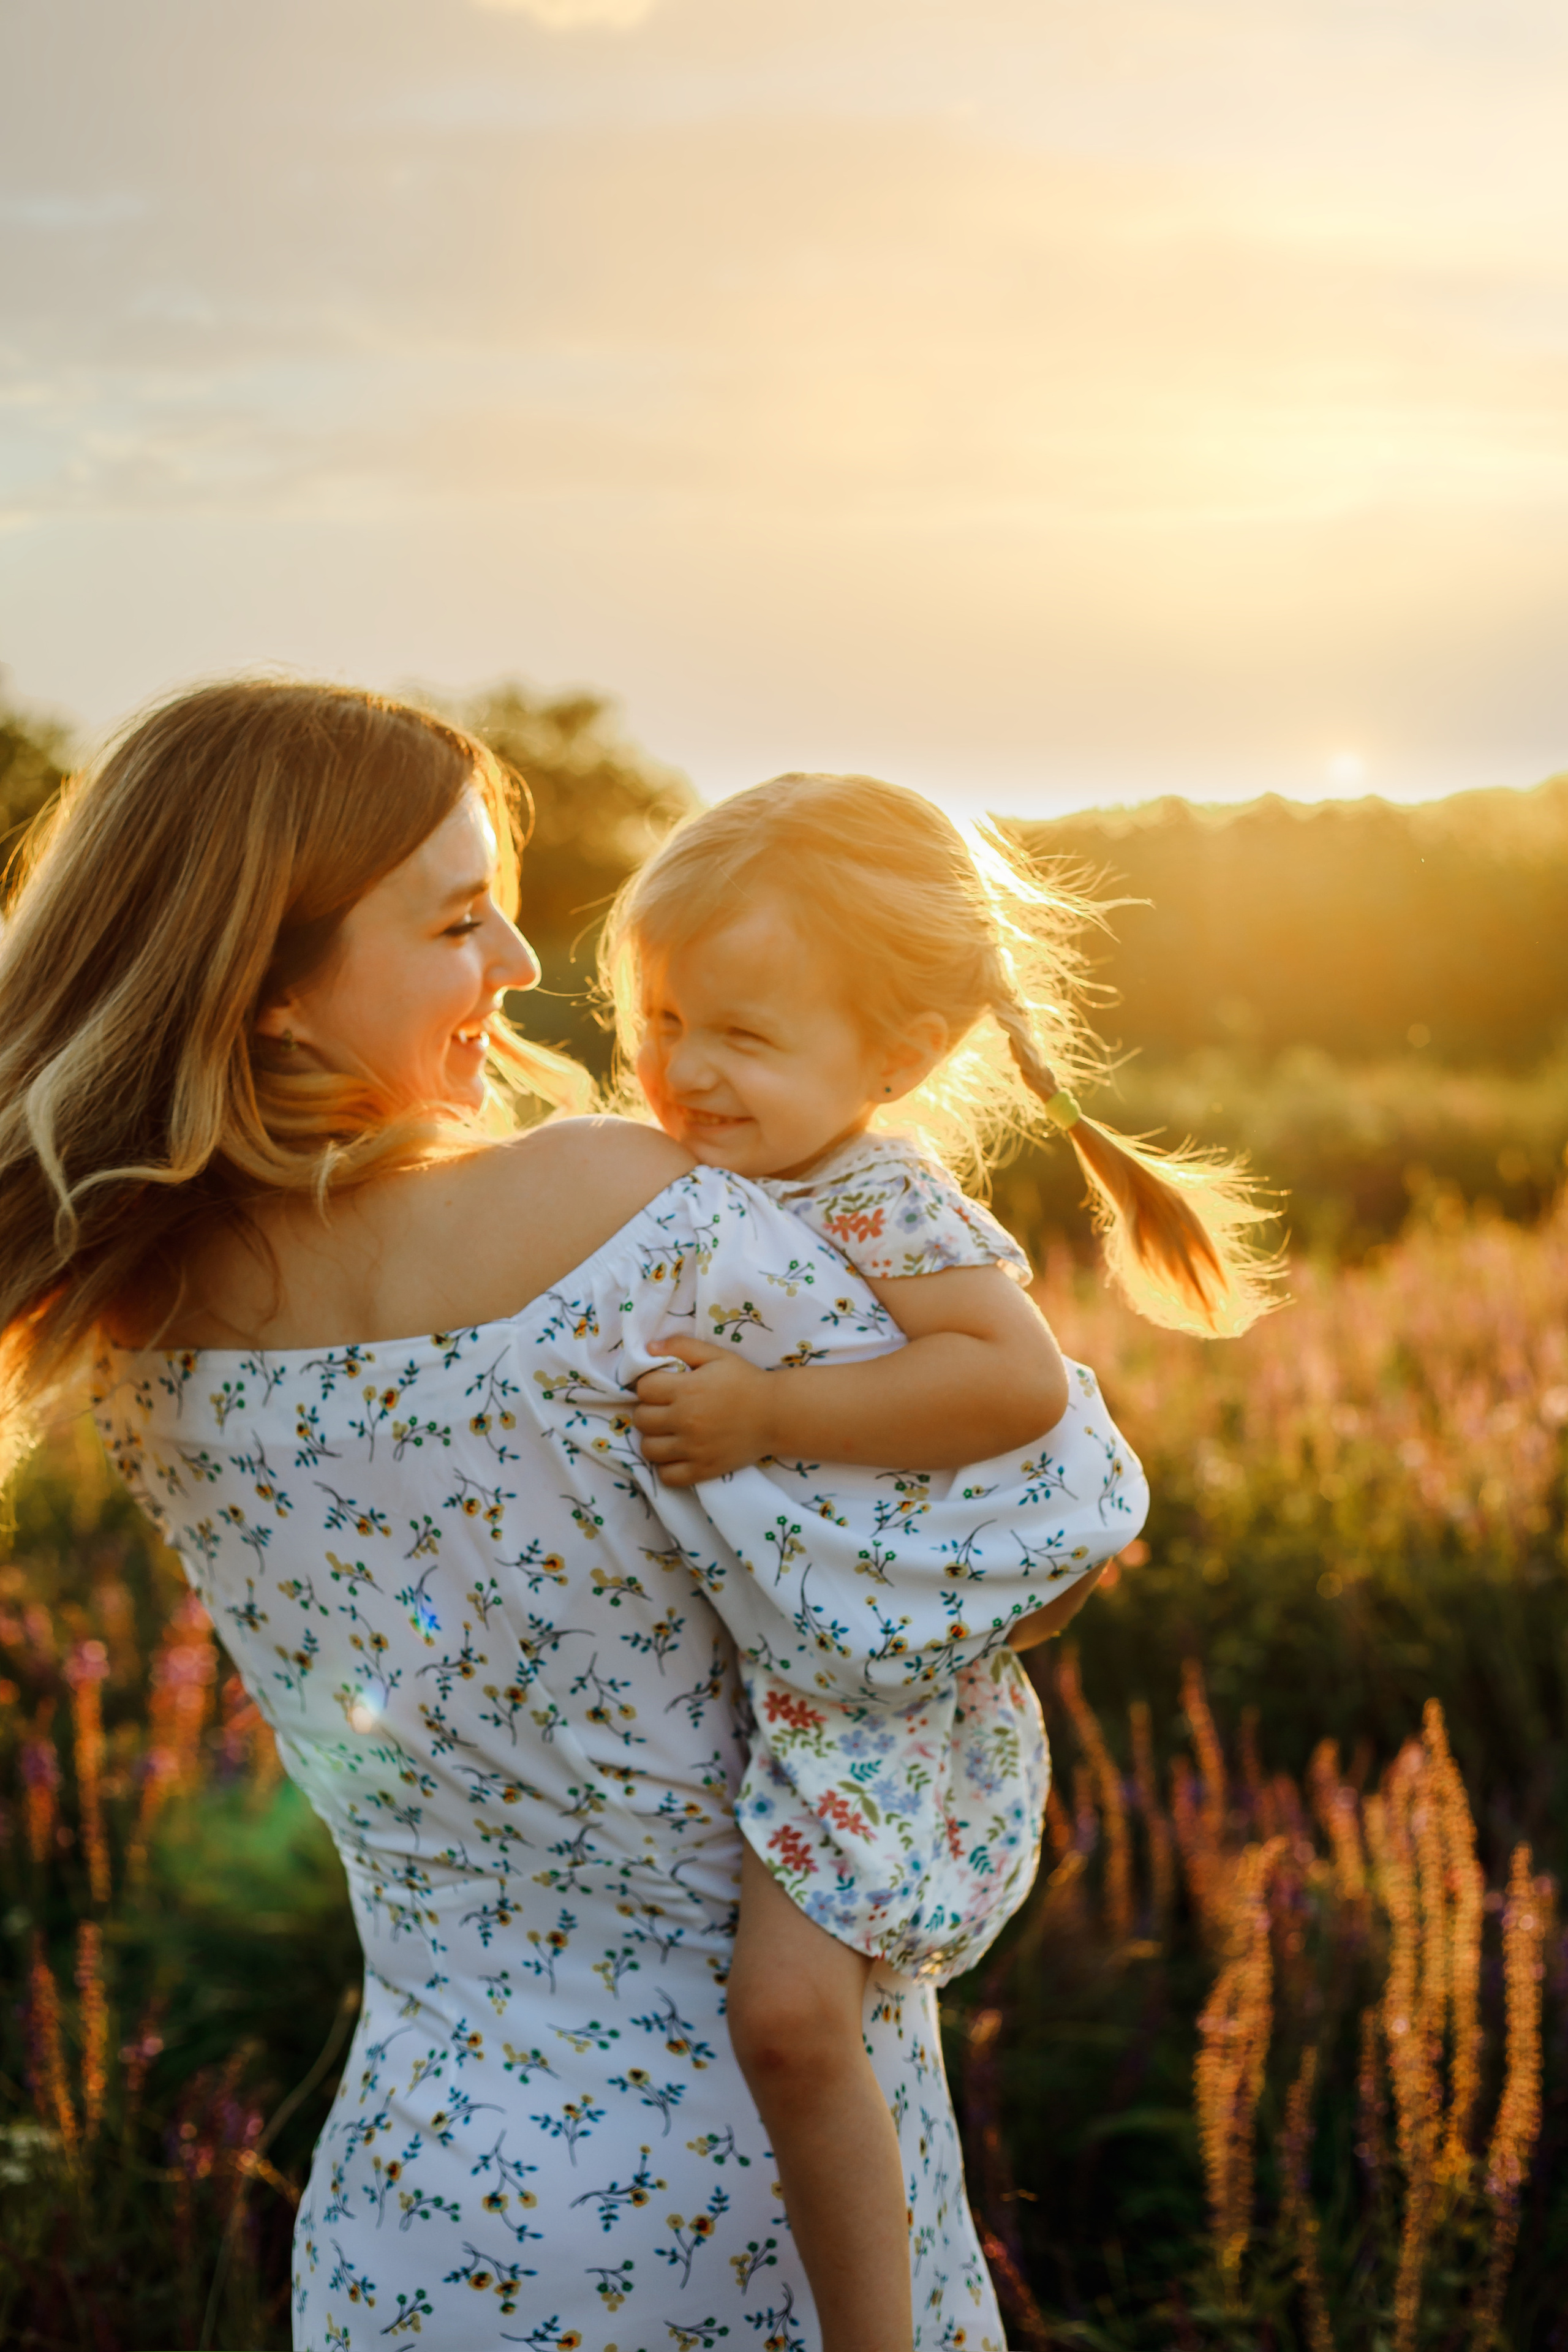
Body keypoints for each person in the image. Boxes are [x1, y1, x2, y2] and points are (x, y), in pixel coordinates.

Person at [0, 680, 1146, 2352]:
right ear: (272, 991)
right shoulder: (624, 1211)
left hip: (417, 2217)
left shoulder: (134, 1332)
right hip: (751, 2209)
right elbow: (1053, 1523)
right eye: (460, 922)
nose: (524, 973)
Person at [600, 772, 1276, 2348]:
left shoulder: (878, 1199)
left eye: (741, 1039)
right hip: (772, 1665)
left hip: (877, 1698)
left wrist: (766, 1410)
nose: (684, 1071)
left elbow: (1010, 1382)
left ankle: (875, 2335)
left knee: (784, 2020)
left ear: (893, 1058)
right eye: (657, 1021)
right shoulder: (693, 1181)